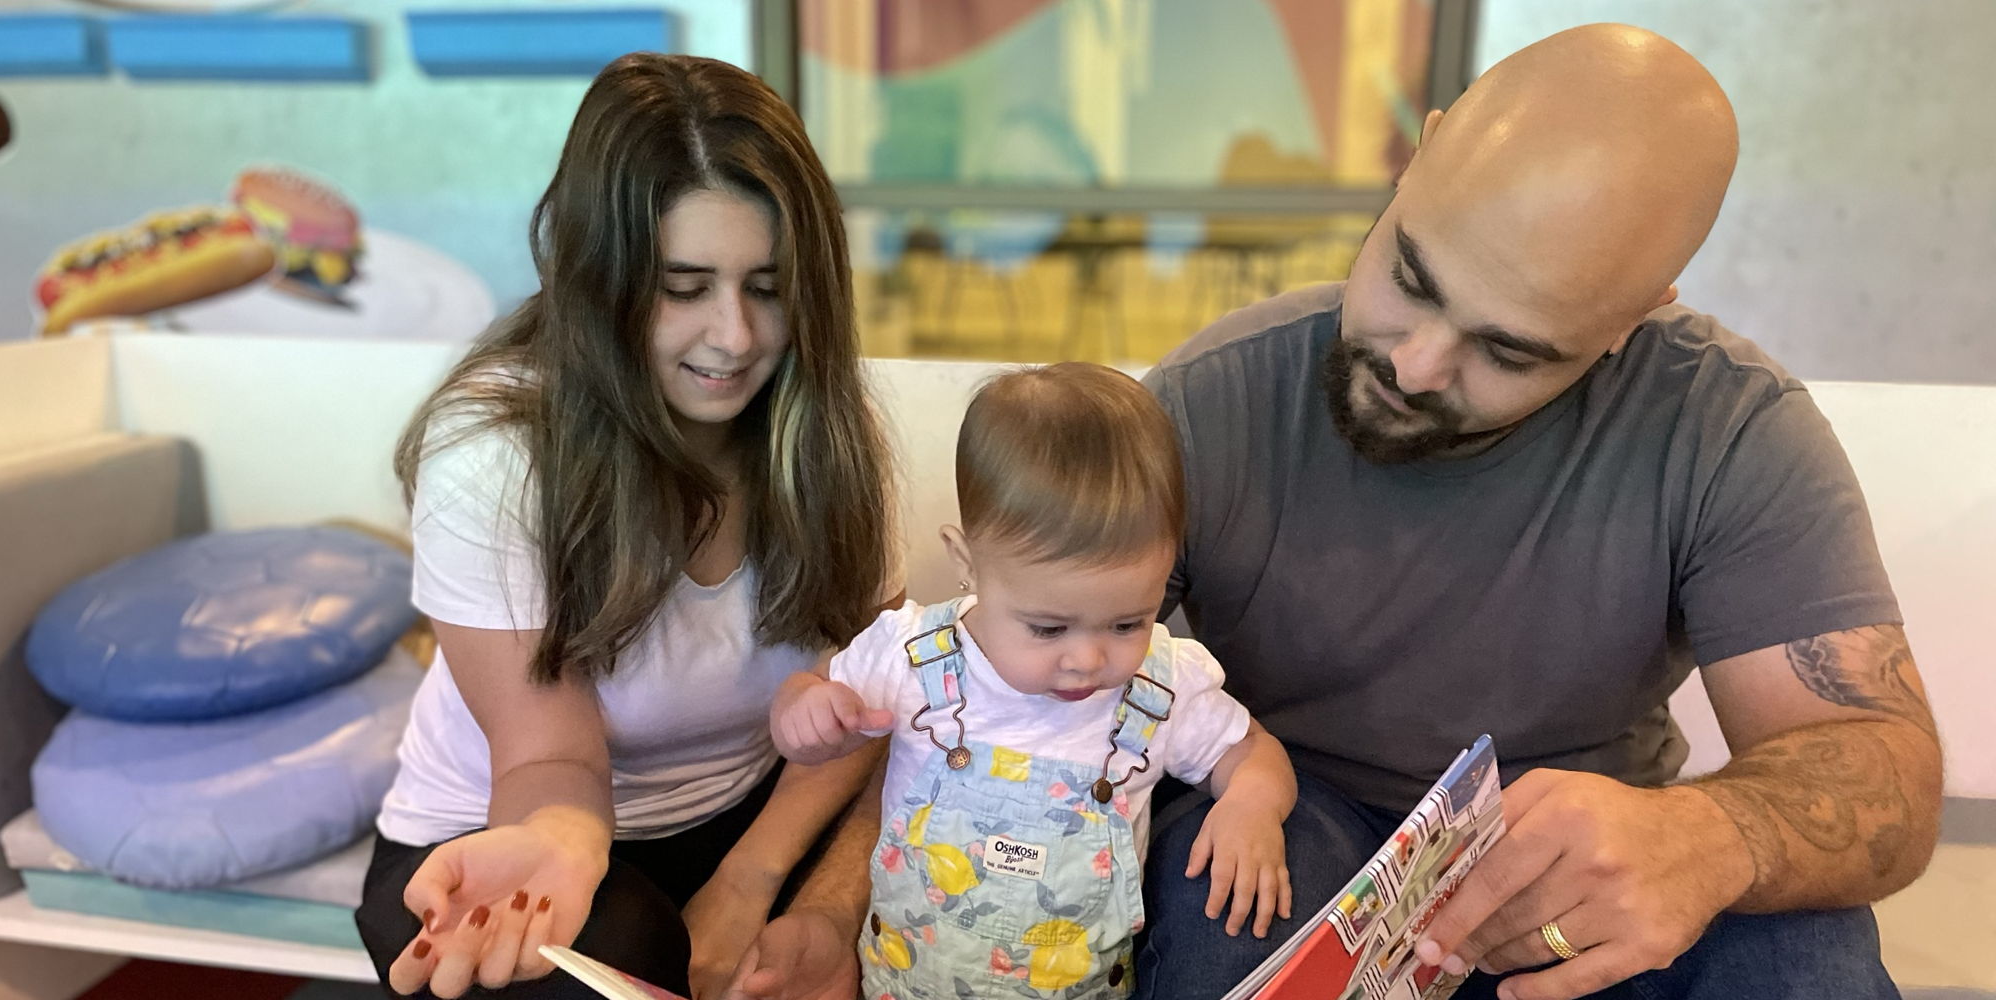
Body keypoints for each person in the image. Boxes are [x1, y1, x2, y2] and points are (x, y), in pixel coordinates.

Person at [1135, 23, 1941, 1000]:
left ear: (1633, 317)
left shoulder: (1728, 427)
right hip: (1294, 820)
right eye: (1409, 277)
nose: (1415, 364)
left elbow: (1883, 771)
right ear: (1420, 153)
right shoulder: (1211, 401)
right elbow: (1014, 660)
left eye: (1507, 351)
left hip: (1586, 867)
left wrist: (1708, 835)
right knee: (1218, 895)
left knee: (1802, 946)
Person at [353, 53, 898, 1000]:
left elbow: (877, 692)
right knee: (621, 952)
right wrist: (556, 844)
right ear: (598, 280)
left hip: (747, 814)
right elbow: (549, 754)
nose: (735, 336)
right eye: (684, 288)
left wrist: (762, 884)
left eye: (767, 287)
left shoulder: (819, 427)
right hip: (513, 828)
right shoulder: (493, 449)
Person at [770, 364, 1297, 998]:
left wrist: (1252, 803)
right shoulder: (912, 654)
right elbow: (805, 698)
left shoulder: (1160, 690)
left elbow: (1252, 752)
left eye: (1128, 622)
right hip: (903, 983)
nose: (1088, 659)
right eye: (1048, 628)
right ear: (967, 563)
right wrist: (805, 714)